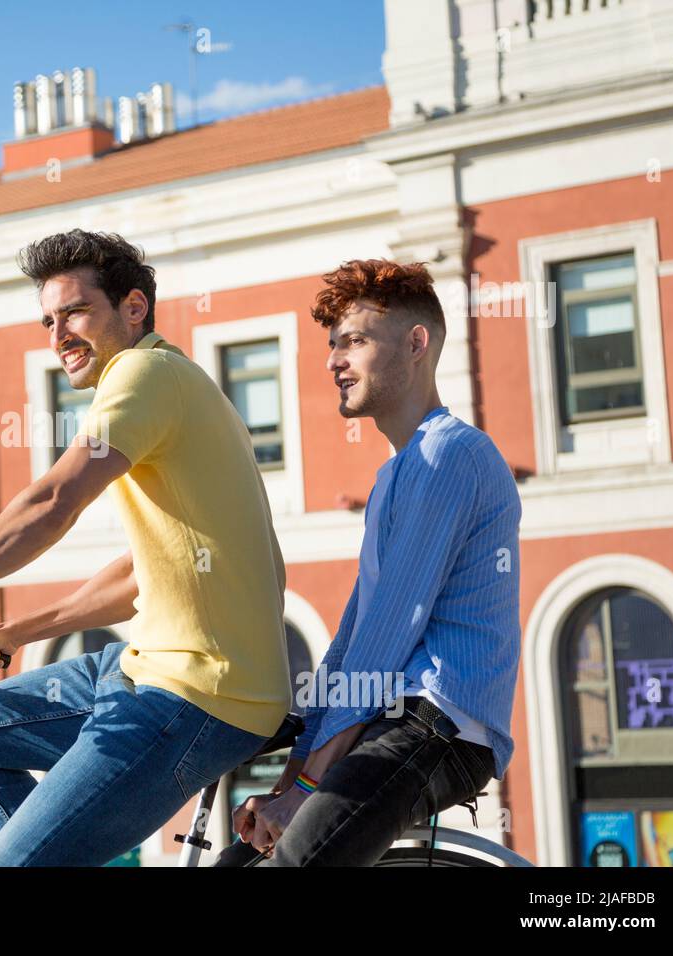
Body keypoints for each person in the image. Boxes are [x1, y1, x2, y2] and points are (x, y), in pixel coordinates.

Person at [0, 229, 293, 866]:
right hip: (145, 667)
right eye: (48, 321)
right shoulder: (177, 386)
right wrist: (16, 629)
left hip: (198, 694)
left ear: (134, 309)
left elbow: (53, 502)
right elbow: (142, 574)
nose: (58, 336)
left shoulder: (145, 373)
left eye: (76, 312)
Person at [217, 258, 521, 866]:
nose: (333, 361)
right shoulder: (394, 474)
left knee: (296, 861)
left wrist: (305, 789)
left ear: (416, 343)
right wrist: (291, 778)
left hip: (439, 722)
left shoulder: (452, 456)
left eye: (353, 341)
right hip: (387, 715)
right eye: (332, 345)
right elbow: (355, 637)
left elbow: (387, 637)